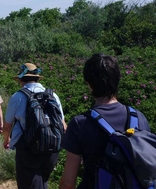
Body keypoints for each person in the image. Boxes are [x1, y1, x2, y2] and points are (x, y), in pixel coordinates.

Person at [59, 53, 151, 189]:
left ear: (89, 84)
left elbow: (68, 183)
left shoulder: (80, 124)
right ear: (118, 80)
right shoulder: (139, 118)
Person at [3, 63, 66, 189]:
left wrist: (7, 140)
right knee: (43, 180)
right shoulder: (53, 95)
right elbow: (63, 125)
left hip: (27, 147)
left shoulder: (17, 97)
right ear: (37, 78)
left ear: (21, 79)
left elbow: (7, 126)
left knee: (28, 183)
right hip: (52, 147)